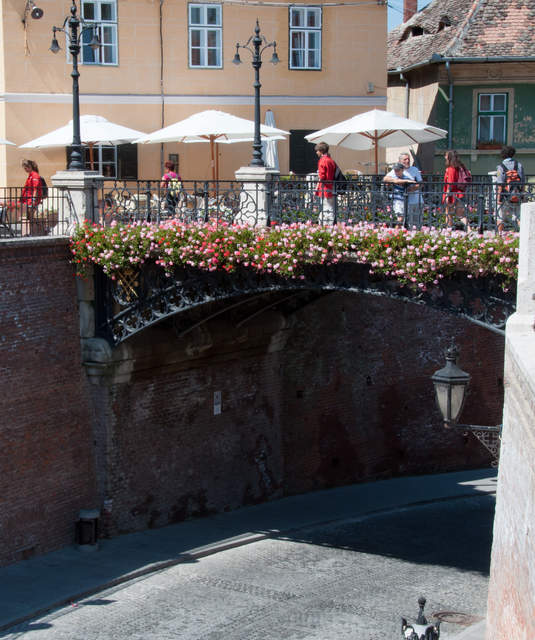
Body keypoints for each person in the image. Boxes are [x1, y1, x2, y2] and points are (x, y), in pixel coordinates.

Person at [496, 145, 524, 232]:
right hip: (516, 194)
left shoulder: (500, 167)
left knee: (500, 216)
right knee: (518, 216)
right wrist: (522, 195)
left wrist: (498, 198)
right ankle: (523, 233)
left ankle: (499, 235)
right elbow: (523, 181)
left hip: (505, 195)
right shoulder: (519, 165)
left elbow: (500, 183)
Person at [442, 150, 467, 228]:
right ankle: (469, 229)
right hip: (459, 193)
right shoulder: (458, 167)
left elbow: (450, 183)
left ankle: (448, 230)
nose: (445, 157)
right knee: (460, 215)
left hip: (452, 194)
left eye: (446, 155)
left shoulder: (450, 169)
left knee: (448, 213)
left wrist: (447, 195)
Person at [314, 142, 337, 225]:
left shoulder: (322, 160)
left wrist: (316, 187)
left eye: (317, 151)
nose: (316, 152)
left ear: (321, 151)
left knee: (326, 207)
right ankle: (328, 224)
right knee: (330, 206)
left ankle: (326, 225)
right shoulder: (331, 160)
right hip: (332, 186)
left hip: (325, 187)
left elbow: (322, 176)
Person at [20, 159, 43, 235]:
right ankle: (32, 232)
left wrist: (33, 200)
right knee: (30, 218)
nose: (25, 170)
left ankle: (37, 231)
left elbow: (35, 188)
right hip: (28, 199)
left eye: (25, 168)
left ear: (29, 167)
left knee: (31, 217)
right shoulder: (30, 175)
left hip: (32, 200)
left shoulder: (35, 175)